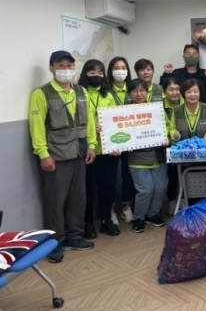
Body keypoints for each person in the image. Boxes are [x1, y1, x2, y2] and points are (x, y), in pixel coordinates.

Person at [28, 50, 96, 263]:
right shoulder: (41, 93)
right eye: (60, 65)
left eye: (69, 65)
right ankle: (54, 243)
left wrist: (92, 144)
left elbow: (90, 121)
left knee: (78, 198)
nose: (65, 70)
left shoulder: (80, 91)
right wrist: (43, 153)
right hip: (56, 156)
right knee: (55, 201)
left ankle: (74, 236)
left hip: (79, 152)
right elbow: (37, 126)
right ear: (51, 68)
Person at [78, 59, 120, 240]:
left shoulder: (108, 94)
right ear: (85, 73)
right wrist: (91, 126)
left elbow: (115, 119)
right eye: (92, 72)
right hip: (86, 149)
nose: (97, 76)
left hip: (107, 149)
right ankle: (87, 222)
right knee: (87, 187)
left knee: (107, 186)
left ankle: (105, 220)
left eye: (100, 72)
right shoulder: (79, 92)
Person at [125, 79, 169, 233]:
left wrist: (168, 136)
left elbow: (168, 126)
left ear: (147, 92)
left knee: (160, 188)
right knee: (146, 189)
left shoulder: (156, 109)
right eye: (135, 91)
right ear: (129, 93)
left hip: (158, 155)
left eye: (142, 90)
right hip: (137, 158)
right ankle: (139, 217)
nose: (139, 94)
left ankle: (153, 214)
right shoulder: (124, 112)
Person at [107, 56, 135, 225]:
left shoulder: (133, 89)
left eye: (123, 67)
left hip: (131, 141)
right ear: (110, 71)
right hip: (112, 141)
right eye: (116, 68)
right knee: (110, 177)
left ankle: (126, 206)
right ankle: (110, 209)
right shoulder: (106, 91)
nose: (120, 71)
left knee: (128, 176)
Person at [169, 79, 206, 143]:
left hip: (204, 149)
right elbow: (172, 129)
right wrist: (174, 134)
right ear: (183, 94)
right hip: (183, 149)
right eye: (188, 92)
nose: (192, 95)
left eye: (195, 91)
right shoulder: (176, 111)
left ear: (200, 93)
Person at [161, 77, 183, 215]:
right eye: (171, 89)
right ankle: (172, 201)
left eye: (177, 89)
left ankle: (185, 200)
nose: (174, 92)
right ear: (164, 91)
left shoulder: (186, 103)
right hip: (166, 145)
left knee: (184, 174)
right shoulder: (158, 106)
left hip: (185, 145)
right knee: (172, 174)